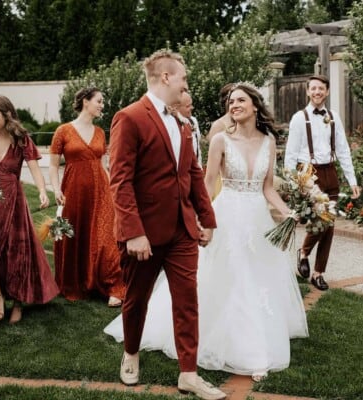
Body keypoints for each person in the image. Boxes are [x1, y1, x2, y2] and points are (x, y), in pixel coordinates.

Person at [105, 83, 309, 382]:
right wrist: (201, 219)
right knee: (230, 279)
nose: (233, 105)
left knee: (257, 281)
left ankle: (255, 343)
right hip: (227, 217)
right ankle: (237, 349)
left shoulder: (268, 142)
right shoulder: (220, 140)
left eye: (240, 100)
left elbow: (267, 188)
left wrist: (288, 212)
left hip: (257, 220)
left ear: (255, 106)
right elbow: (206, 181)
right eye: (230, 101)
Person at [107, 49, 224, 400]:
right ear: (166, 78)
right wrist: (134, 232)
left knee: (187, 301)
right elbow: (120, 180)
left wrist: (207, 219)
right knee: (137, 299)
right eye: (184, 78)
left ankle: (188, 374)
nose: (186, 85)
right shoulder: (129, 118)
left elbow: (191, 174)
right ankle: (131, 352)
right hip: (142, 234)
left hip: (182, 232)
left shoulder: (182, 124)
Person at [0, 95, 59, 324]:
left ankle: (18, 302)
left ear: (6, 115)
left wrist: (41, 190)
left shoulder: (21, 139)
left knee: (17, 253)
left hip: (14, 205)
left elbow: (35, 169)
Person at [48, 87, 125, 306]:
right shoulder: (63, 131)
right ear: (85, 101)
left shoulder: (101, 132)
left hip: (100, 192)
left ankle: (114, 286)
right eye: (99, 101)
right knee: (75, 236)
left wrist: (114, 190)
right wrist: (56, 189)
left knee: (105, 240)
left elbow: (103, 166)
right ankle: (80, 282)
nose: (102, 105)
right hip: (72, 191)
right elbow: (53, 166)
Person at [284, 75, 361, 291]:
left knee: (329, 224)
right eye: (314, 88)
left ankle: (318, 272)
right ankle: (305, 252)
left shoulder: (334, 117)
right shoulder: (299, 118)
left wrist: (352, 180)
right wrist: (293, 182)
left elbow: (344, 150)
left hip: (330, 172)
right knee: (322, 221)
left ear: (327, 92)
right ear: (308, 92)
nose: (317, 92)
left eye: (321, 89)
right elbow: (290, 154)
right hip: (309, 174)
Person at [176, 91, 202, 166]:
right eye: (188, 106)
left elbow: (198, 149)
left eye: (191, 105)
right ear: (177, 107)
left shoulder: (194, 121)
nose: (192, 108)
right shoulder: (172, 124)